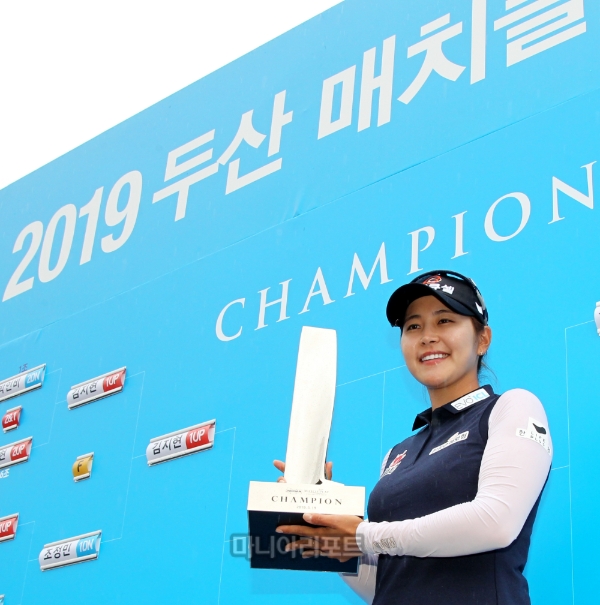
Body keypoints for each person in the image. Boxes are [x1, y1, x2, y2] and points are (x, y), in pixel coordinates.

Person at [274, 270, 552, 605]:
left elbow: (496, 522)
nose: (427, 337)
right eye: (413, 326)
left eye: (445, 320)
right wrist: (333, 535)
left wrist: (363, 534)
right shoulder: (397, 454)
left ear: (483, 339)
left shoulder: (512, 407)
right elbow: (388, 586)